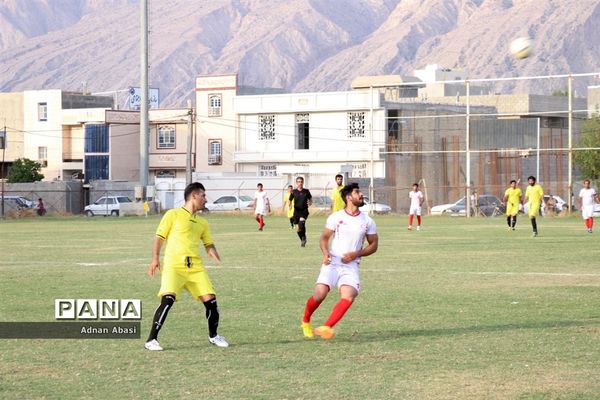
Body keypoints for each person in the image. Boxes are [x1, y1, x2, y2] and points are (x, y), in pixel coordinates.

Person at [145, 182, 228, 351]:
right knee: (168, 299)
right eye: (203, 195)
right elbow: (159, 237)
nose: (206, 199)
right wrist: (155, 259)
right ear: (194, 196)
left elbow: (208, 243)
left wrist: (212, 251)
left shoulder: (203, 223)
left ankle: (214, 336)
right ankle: (151, 340)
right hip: (174, 266)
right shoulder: (173, 214)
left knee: (211, 302)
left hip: (195, 268)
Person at [300, 183, 378, 340]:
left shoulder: (368, 221)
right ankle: (306, 321)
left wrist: (357, 254)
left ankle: (326, 327)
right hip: (333, 263)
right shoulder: (336, 217)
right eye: (357, 192)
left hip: (351, 266)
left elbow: (374, 245)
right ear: (349, 197)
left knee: (349, 295)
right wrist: (325, 252)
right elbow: (324, 238)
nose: (361, 194)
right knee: (319, 294)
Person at [289, 176, 312, 247]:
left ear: (303, 182)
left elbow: (310, 198)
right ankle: (303, 239)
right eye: (298, 182)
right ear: (296, 183)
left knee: (301, 223)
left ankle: (303, 238)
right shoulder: (293, 191)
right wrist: (289, 205)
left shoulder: (306, 191)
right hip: (296, 212)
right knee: (298, 230)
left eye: (301, 182)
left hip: (304, 211)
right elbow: (290, 199)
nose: (300, 183)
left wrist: (310, 202)